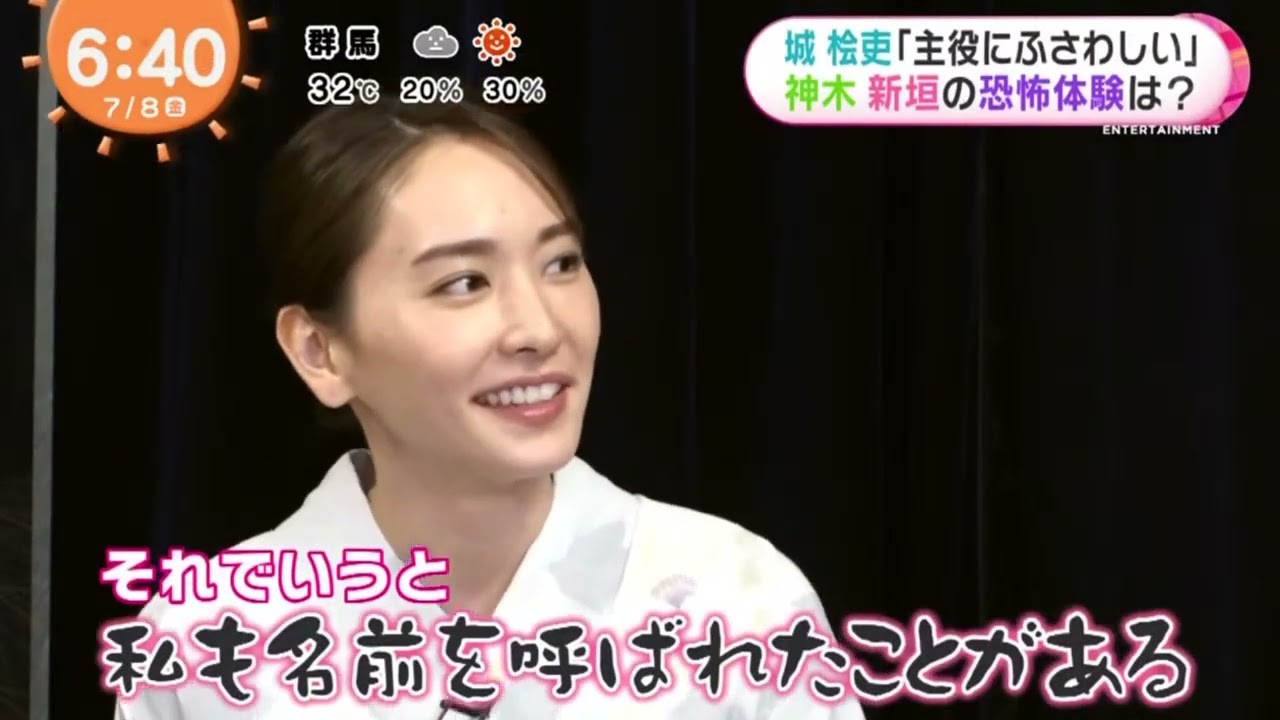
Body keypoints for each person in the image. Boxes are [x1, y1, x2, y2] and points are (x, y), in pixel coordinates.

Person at [115, 99, 865, 720]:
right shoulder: (205, 640)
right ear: (320, 350)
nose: (540, 328)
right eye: (464, 283)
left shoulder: (739, 601)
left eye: (561, 264)